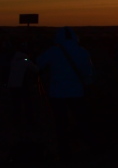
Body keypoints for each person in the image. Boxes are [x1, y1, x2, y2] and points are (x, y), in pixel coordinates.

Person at [36, 27, 93, 159]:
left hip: (57, 93)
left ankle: (64, 150)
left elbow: (39, 63)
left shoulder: (53, 51)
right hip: (77, 93)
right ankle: (86, 146)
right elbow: (89, 73)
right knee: (81, 120)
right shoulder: (83, 52)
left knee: (61, 123)